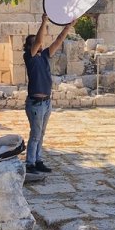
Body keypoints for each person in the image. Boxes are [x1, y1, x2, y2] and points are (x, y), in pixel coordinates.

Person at [23, 13, 76, 174]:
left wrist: (68, 27)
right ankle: (30, 163)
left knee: (41, 133)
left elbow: (58, 41)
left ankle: (38, 160)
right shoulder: (29, 58)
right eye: (36, 43)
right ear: (30, 46)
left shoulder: (44, 56)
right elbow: (39, 40)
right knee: (35, 133)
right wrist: (44, 22)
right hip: (36, 103)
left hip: (46, 102)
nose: (40, 44)